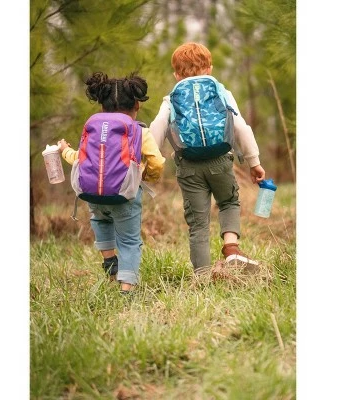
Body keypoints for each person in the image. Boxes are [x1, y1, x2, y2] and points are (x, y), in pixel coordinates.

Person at [149, 42, 265, 275]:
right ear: (209, 69)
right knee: (228, 202)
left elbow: (157, 128)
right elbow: (241, 127)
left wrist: (150, 162)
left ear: (176, 74)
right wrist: (254, 162)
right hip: (220, 160)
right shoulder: (221, 92)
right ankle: (231, 249)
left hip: (189, 166)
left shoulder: (171, 98)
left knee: (198, 223)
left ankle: (202, 276)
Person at [59, 71, 165, 294]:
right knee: (129, 241)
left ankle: (109, 260)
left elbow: (79, 157)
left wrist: (64, 150)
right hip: (125, 196)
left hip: (93, 195)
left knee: (101, 222)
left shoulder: (94, 128)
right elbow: (156, 162)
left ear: (102, 106)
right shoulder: (139, 130)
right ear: (137, 105)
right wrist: (147, 176)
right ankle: (126, 289)